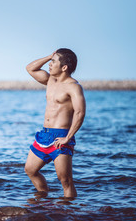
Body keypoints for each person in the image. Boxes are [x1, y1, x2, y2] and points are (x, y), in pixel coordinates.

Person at [24, 48, 86, 198]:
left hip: (62, 136)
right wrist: (49, 56)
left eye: (53, 62)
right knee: (30, 170)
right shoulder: (50, 80)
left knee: (65, 180)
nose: (49, 65)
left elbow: (80, 112)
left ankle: (69, 211)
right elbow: (30, 68)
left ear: (64, 67)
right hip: (45, 135)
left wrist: (68, 137)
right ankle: (43, 197)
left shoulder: (74, 87)